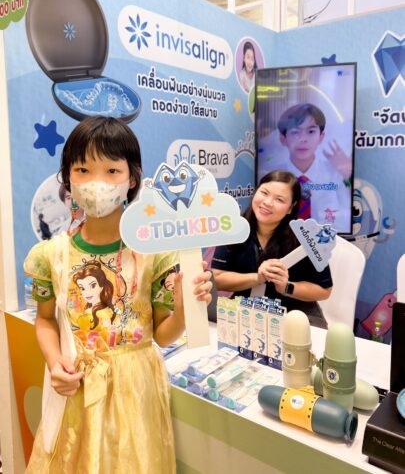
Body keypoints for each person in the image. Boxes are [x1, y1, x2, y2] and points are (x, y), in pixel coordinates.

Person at [24, 115, 212, 474]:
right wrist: (54, 361)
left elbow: (162, 335)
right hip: (76, 392)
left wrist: (185, 309)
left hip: (136, 394)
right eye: (83, 170)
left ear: (132, 178)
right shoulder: (50, 255)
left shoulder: (155, 253)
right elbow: (45, 319)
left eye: (112, 171)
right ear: (68, 178)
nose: (96, 182)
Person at [211, 170, 333, 328]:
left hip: (297, 315)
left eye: (279, 199)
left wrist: (286, 287)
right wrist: (258, 278)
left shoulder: (306, 236)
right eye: (264, 193)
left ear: (291, 208)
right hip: (247, 311)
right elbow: (217, 279)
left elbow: (324, 290)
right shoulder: (234, 229)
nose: (268, 202)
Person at [275, 102, 352, 231]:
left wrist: (348, 173)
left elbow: (349, 209)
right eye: (295, 132)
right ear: (283, 139)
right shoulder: (272, 176)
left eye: (311, 131)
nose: (303, 139)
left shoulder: (336, 174)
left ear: (321, 137)